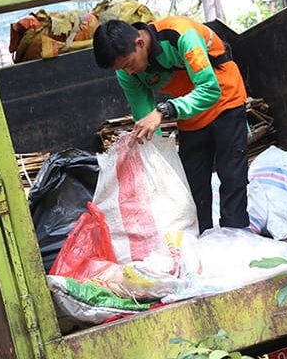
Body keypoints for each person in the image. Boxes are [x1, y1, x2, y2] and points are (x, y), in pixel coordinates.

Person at [92, 17, 249, 234]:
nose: (128, 72)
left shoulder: (181, 34)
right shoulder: (125, 71)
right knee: (193, 187)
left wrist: (164, 111)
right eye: (121, 69)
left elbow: (210, 90)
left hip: (225, 99)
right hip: (190, 114)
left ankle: (237, 236)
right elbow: (146, 120)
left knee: (232, 174)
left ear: (139, 43)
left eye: (129, 64)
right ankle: (201, 241)